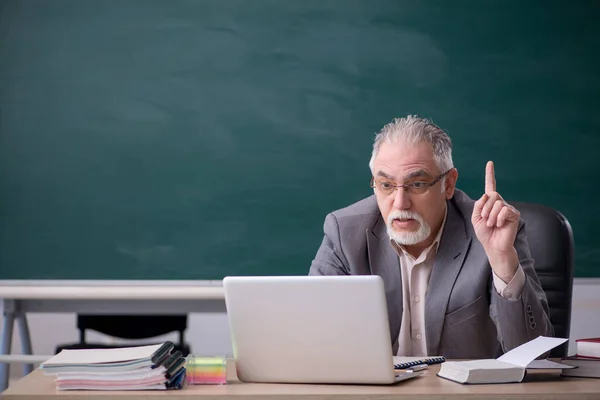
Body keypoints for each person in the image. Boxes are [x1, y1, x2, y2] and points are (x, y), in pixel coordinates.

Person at [309, 115, 553, 359]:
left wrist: (502, 261)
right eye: (386, 185)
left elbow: (535, 357)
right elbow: (310, 338)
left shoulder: (490, 232)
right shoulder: (344, 232)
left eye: (417, 184)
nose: (400, 202)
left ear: (448, 184)